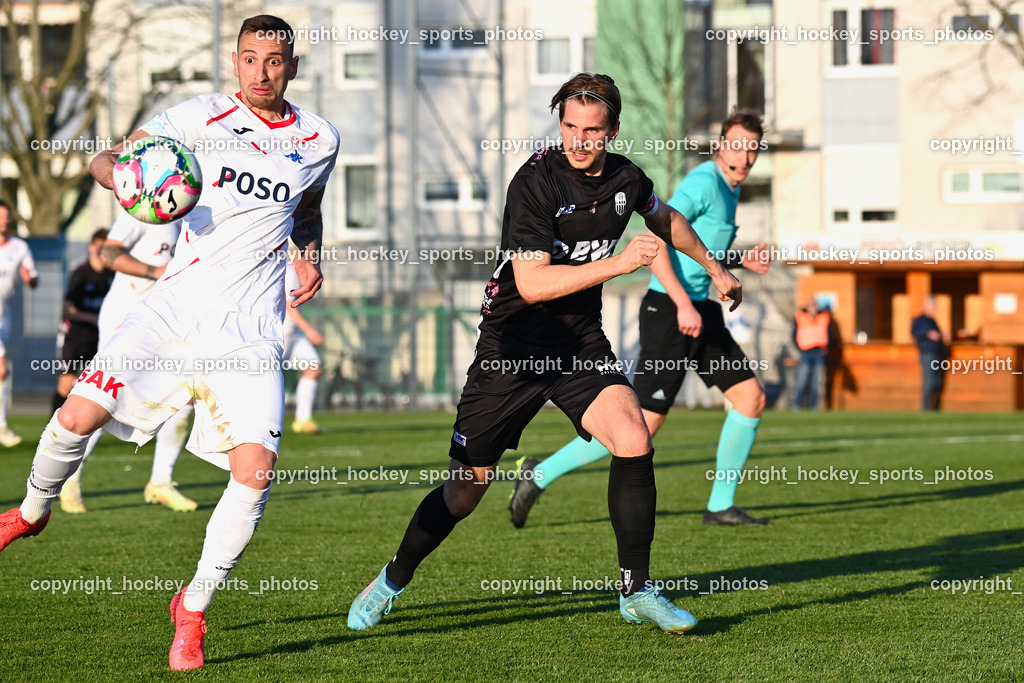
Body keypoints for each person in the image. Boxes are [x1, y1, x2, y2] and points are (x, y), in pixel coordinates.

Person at [0, 15, 338, 671]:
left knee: (256, 473)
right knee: (75, 417)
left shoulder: (318, 137)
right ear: (233, 61)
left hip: (247, 334)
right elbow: (113, 157)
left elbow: (309, 206)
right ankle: (32, 511)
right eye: (250, 59)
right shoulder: (196, 116)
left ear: (292, 66)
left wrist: (310, 254)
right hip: (171, 311)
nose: (261, 72)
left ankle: (193, 608)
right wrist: (118, 172)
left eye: (275, 60)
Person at [348, 73, 742, 635]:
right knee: (466, 490)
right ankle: (391, 579)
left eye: (592, 131)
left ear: (613, 131)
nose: (579, 141)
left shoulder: (627, 177)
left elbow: (666, 219)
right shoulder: (534, 183)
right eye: (570, 128)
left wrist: (714, 266)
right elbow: (532, 284)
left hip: (578, 344)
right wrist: (619, 263)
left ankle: (637, 591)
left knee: (633, 438)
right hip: (513, 348)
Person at [508, 109, 771, 529]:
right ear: (721, 145)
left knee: (750, 398)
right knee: (641, 425)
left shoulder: (731, 189)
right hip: (671, 310)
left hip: (701, 311)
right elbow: (659, 239)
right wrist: (683, 303)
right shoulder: (704, 183)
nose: (744, 154)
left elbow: (699, 247)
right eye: (736, 145)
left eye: (752, 148)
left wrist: (737, 261)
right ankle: (538, 475)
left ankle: (721, 504)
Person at [58, 215, 198, 513]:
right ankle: (69, 475)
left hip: (165, 321)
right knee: (108, 400)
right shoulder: (144, 209)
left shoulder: (191, 219)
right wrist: (157, 270)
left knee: (185, 396)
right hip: (124, 318)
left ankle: (161, 481)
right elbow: (109, 254)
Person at [53, 229, 114, 512]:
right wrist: (95, 317)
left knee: (99, 409)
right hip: (77, 343)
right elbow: (69, 311)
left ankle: (69, 477)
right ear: (92, 247)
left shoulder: (113, 276)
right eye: (99, 246)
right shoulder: (81, 274)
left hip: (103, 346)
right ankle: (54, 456)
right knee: (69, 396)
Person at [0, 200, 38, 447]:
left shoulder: (19, 247)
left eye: (6, 216)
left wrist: (29, 279)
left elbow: (32, 279)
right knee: (2, 370)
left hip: (4, 318)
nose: (4, 220)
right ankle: (2, 426)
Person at [284, 260, 324, 433]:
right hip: (280, 332)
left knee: (313, 367)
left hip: (293, 334)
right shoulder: (289, 270)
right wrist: (310, 330)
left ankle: (303, 419)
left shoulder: (297, 271)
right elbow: (289, 305)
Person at [792, 294, 832, 410]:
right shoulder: (800, 315)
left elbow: (830, 334)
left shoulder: (824, 316)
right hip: (805, 351)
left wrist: (827, 348)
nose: (812, 305)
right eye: (809, 303)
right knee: (802, 379)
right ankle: (797, 404)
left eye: (813, 303)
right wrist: (798, 348)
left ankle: (814, 406)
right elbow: (793, 334)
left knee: (816, 381)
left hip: (819, 352)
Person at [911, 297, 949, 411]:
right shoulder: (920, 320)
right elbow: (914, 333)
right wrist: (928, 333)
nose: (934, 309)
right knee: (929, 382)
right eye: (933, 306)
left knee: (937, 383)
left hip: (937, 354)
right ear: (926, 306)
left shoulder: (932, 321)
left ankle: (934, 407)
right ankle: (926, 408)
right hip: (927, 354)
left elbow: (938, 337)